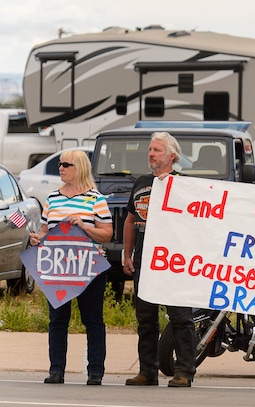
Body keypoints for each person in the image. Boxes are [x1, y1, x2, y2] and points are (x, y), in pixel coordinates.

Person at [29, 149, 113, 386]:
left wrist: (84, 226)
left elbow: (107, 234)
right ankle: (56, 370)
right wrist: (38, 239)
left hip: (89, 268)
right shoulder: (53, 198)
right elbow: (46, 231)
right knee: (57, 320)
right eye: (60, 164)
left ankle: (95, 371)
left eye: (67, 164)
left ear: (80, 168)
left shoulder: (96, 199)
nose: (61, 168)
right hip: (58, 268)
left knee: (93, 319)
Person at [122, 132, 196, 388]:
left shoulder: (183, 185)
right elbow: (131, 220)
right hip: (143, 261)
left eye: (157, 150)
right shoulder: (141, 183)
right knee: (145, 318)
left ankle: (184, 371)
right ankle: (147, 370)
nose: (151, 154)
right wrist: (127, 255)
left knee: (180, 317)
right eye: (150, 149)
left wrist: (172, 187)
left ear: (171, 156)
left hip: (172, 264)